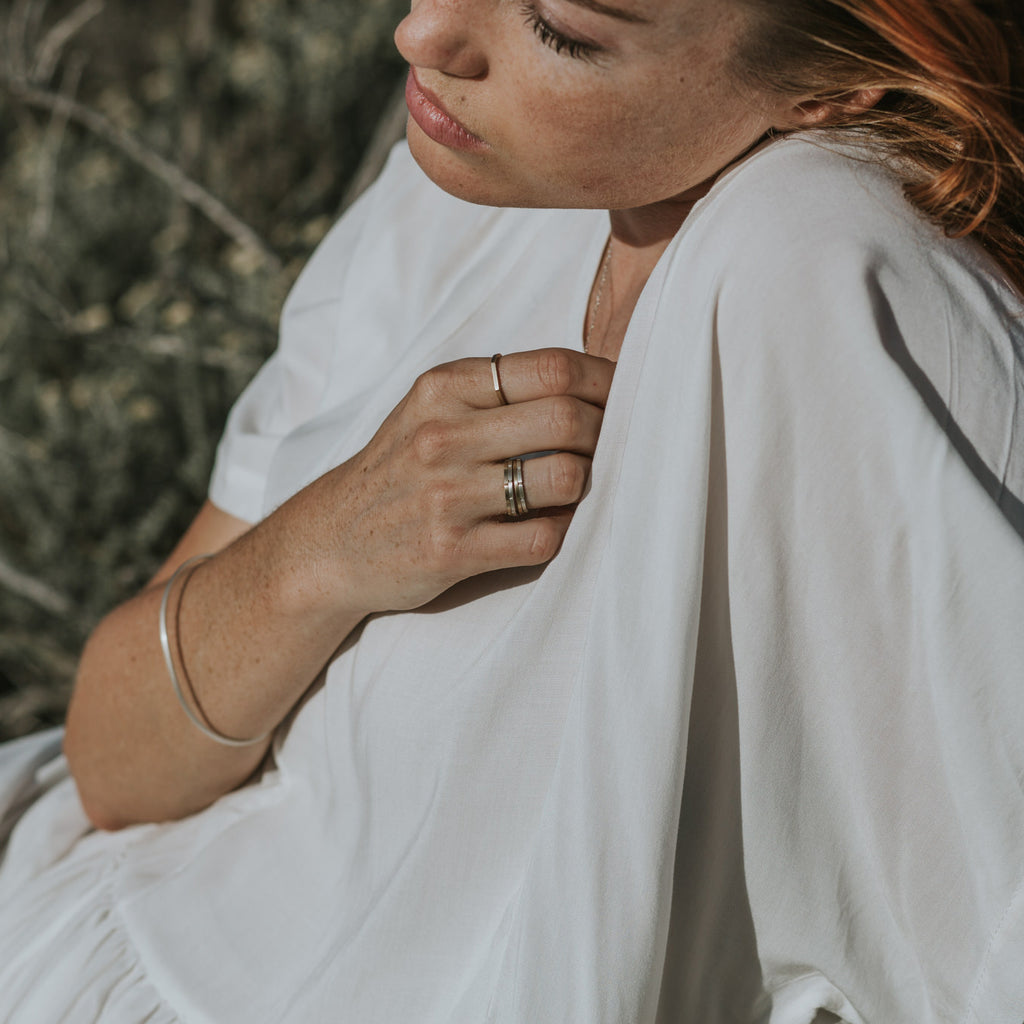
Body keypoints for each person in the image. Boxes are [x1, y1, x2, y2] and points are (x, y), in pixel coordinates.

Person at [1, 0, 1022, 1020]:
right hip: (68, 921)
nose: (423, 34)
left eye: (561, 30)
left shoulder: (823, 280)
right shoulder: (478, 176)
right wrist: (325, 545)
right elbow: (111, 760)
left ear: (831, 85)